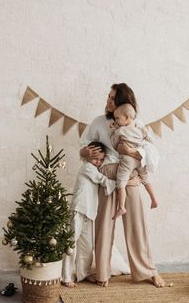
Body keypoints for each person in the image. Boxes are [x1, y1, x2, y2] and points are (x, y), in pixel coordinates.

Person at [80, 83, 165, 288]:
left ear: (123, 103)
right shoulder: (98, 122)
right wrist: (86, 153)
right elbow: (83, 147)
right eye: (108, 96)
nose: (107, 100)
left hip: (131, 177)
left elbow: (152, 150)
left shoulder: (136, 124)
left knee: (138, 227)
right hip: (108, 179)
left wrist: (134, 153)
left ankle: (147, 271)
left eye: (112, 98)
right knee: (104, 227)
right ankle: (102, 272)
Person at [61, 141, 115, 288]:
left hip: (90, 212)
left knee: (87, 245)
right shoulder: (87, 167)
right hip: (79, 209)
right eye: (95, 159)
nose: (98, 162)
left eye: (101, 160)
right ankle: (66, 277)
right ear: (88, 156)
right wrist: (123, 182)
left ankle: (83, 273)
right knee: (71, 242)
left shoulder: (94, 167)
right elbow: (102, 180)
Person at [110, 103, 158, 219]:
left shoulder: (120, 131)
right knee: (145, 178)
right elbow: (150, 140)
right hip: (140, 158)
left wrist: (113, 131)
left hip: (127, 160)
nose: (115, 121)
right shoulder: (140, 128)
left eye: (117, 118)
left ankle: (121, 207)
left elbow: (114, 144)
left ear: (127, 118)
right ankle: (153, 198)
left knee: (120, 182)